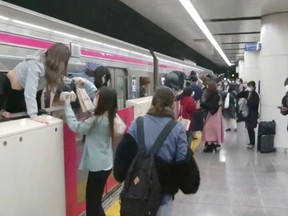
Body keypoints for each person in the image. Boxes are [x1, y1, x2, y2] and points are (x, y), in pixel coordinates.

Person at [113, 86, 200, 216]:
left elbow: (122, 160)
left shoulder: (137, 124)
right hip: (163, 197)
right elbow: (183, 165)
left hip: (136, 194)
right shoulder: (177, 129)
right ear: (172, 106)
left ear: (152, 102)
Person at [64, 85, 117, 216]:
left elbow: (75, 127)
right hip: (106, 164)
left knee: (92, 204)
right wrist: (84, 82)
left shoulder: (96, 119)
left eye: (97, 96)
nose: (94, 97)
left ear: (102, 100)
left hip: (98, 167)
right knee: (96, 201)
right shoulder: (109, 115)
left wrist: (67, 106)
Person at [0, 43, 73, 123]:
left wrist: (74, 80)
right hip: (11, 89)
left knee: (27, 116)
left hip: (23, 89)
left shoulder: (49, 66)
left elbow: (59, 77)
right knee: (16, 119)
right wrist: (34, 115)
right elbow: (30, 91)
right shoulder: (36, 64)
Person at [200, 81, 224, 152]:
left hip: (214, 114)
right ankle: (212, 143)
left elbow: (211, 105)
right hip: (213, 113)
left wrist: (202, 104)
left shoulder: (215, 95)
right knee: (212, 129)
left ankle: (211, 144)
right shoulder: (214, 94)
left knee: (209, 128)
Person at [244, 81, 260, 149]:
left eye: (250, 86)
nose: (248, 88)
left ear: (253, 87)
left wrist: (247, 103)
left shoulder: (255, 95)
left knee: (251, 128)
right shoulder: (249, 94)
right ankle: (251, 142)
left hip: (253, 114)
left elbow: (254, 104)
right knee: (248, 128)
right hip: (249, 114)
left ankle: (252, 143)